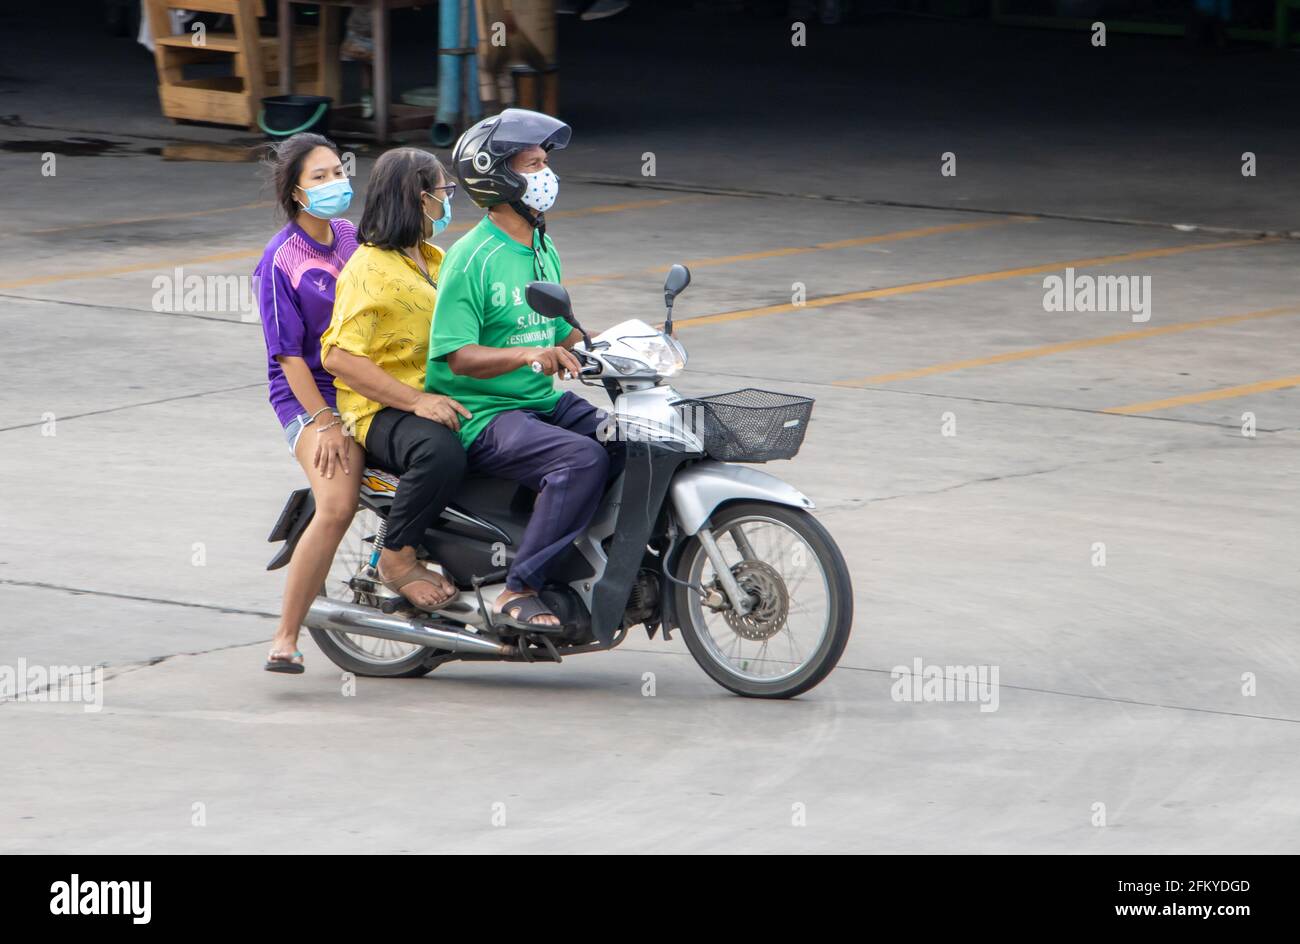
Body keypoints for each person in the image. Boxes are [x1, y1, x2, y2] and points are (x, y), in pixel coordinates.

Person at [428, 109, 623, 629]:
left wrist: (624, 346)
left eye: (545, 163)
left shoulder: (541, 244)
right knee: (582, 460)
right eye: (533, 163)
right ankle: (518, 589)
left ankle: (588, 564)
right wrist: (526, 356)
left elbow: (562, 333)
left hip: (538, 400)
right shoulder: (470, 259)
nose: (546, 175)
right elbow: (456, 355)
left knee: (632, 439)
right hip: (482, 411)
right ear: (500, 176)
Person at [321, 148, 469, 612]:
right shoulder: (368, 270)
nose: (449, 200)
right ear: (420, 199)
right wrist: (414, 402)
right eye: (445, 191)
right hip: (380, 409)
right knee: (438, 450)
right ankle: (398, 559)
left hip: (440, 393)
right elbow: (339, 356)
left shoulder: (435, 257)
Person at [254, 133, 362, 674]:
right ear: (297, 193)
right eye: (319, 178)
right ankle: (285, 635)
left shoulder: (351, 235)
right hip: (309, 395)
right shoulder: (279, 260)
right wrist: (325, 421)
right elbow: (289, 356)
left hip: (362, 382)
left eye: (337, 172)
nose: (333, 183)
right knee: (339, 504)